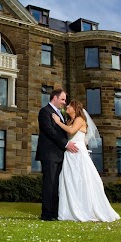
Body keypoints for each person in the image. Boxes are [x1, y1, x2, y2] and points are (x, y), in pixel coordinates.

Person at [51, 99, 120, 222]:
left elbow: (71, 131)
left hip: (78, 153)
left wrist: (57, 122)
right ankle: (69, 210)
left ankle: (86, 209)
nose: (67, 106)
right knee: (69, 180)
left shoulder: (79, 119)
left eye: (70, 105)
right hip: (69, 154)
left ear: (75, 108)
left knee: (82, 179)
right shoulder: (69, 120)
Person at [36, 88, 79, 221]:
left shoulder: (60, 114)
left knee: (56, 185)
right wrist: (66, 144)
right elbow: (49, 131)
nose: (64, 102)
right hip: (49, 154)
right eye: (62, 99)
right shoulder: (45, 111)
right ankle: (47, 214)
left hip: (59, 155)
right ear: (54, 98)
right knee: (50, 184)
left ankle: (55, 212)